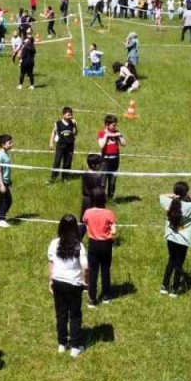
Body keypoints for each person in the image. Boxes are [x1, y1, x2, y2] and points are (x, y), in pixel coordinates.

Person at [159, 181, 191, 296]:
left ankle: (164, 286)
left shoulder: (169, 203)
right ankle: (175, 289)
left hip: (171, 237)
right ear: (186, 193)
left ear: (175, 191)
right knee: (179, 264)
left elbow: (161, 195)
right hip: (184, 240)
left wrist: (175, 195)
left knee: (171, 261)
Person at [49, 214, 89, 358]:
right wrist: (86, 283)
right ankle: (75, 347)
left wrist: (50, 281)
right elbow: (85, 267)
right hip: (74, 284)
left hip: (58, 282)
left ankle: (62, 343)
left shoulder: (54, 243)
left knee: (61, 314)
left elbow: (51, 263)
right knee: (75, 314)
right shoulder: (79, 246)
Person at [81, 187, 117, 309]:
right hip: (106, 244)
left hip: (93, 244)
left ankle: (92, 299)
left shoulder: (87, 213)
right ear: (104, 199)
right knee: (105, 269)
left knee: (93, 271)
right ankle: (106, 295)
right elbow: (114, 231)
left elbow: (86, 224)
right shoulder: (109, 213)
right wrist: (111, 236)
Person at [97, 115, 125, 200]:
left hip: (115, 160)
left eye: (115, 125)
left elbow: (124, 144)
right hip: (105, 160)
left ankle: (110, 198)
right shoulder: (101, 133)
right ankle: (101, 199)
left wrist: (120, 136)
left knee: (112, 181)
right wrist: (107, 136)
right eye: (113, 125)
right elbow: (101, 145)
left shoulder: (116, 132)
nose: (114, 127)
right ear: (107, 124)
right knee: (102, 181)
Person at [49, 107, 77, 183]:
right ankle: (53, 178)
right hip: (60, 146)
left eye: (71, 115)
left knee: (67, 162)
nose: (70, 116)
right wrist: (51, 142)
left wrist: (75, 125)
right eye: (68, 115)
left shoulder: (72, 123)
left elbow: (75, 133)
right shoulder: (58, 123)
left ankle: (65, 177)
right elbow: (53, 133)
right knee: (57, 162)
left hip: (70, 146)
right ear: (64, 115)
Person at [0, 134, 13, 228]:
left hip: (5, 181)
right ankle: (1, 219)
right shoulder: (0, 155)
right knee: (8, 200)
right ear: (3, 144)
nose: (11, 144)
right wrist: (2, 184)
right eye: (9, 143)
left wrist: (9, 180)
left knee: (1, 200)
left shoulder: (5, 153)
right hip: (1, 181)